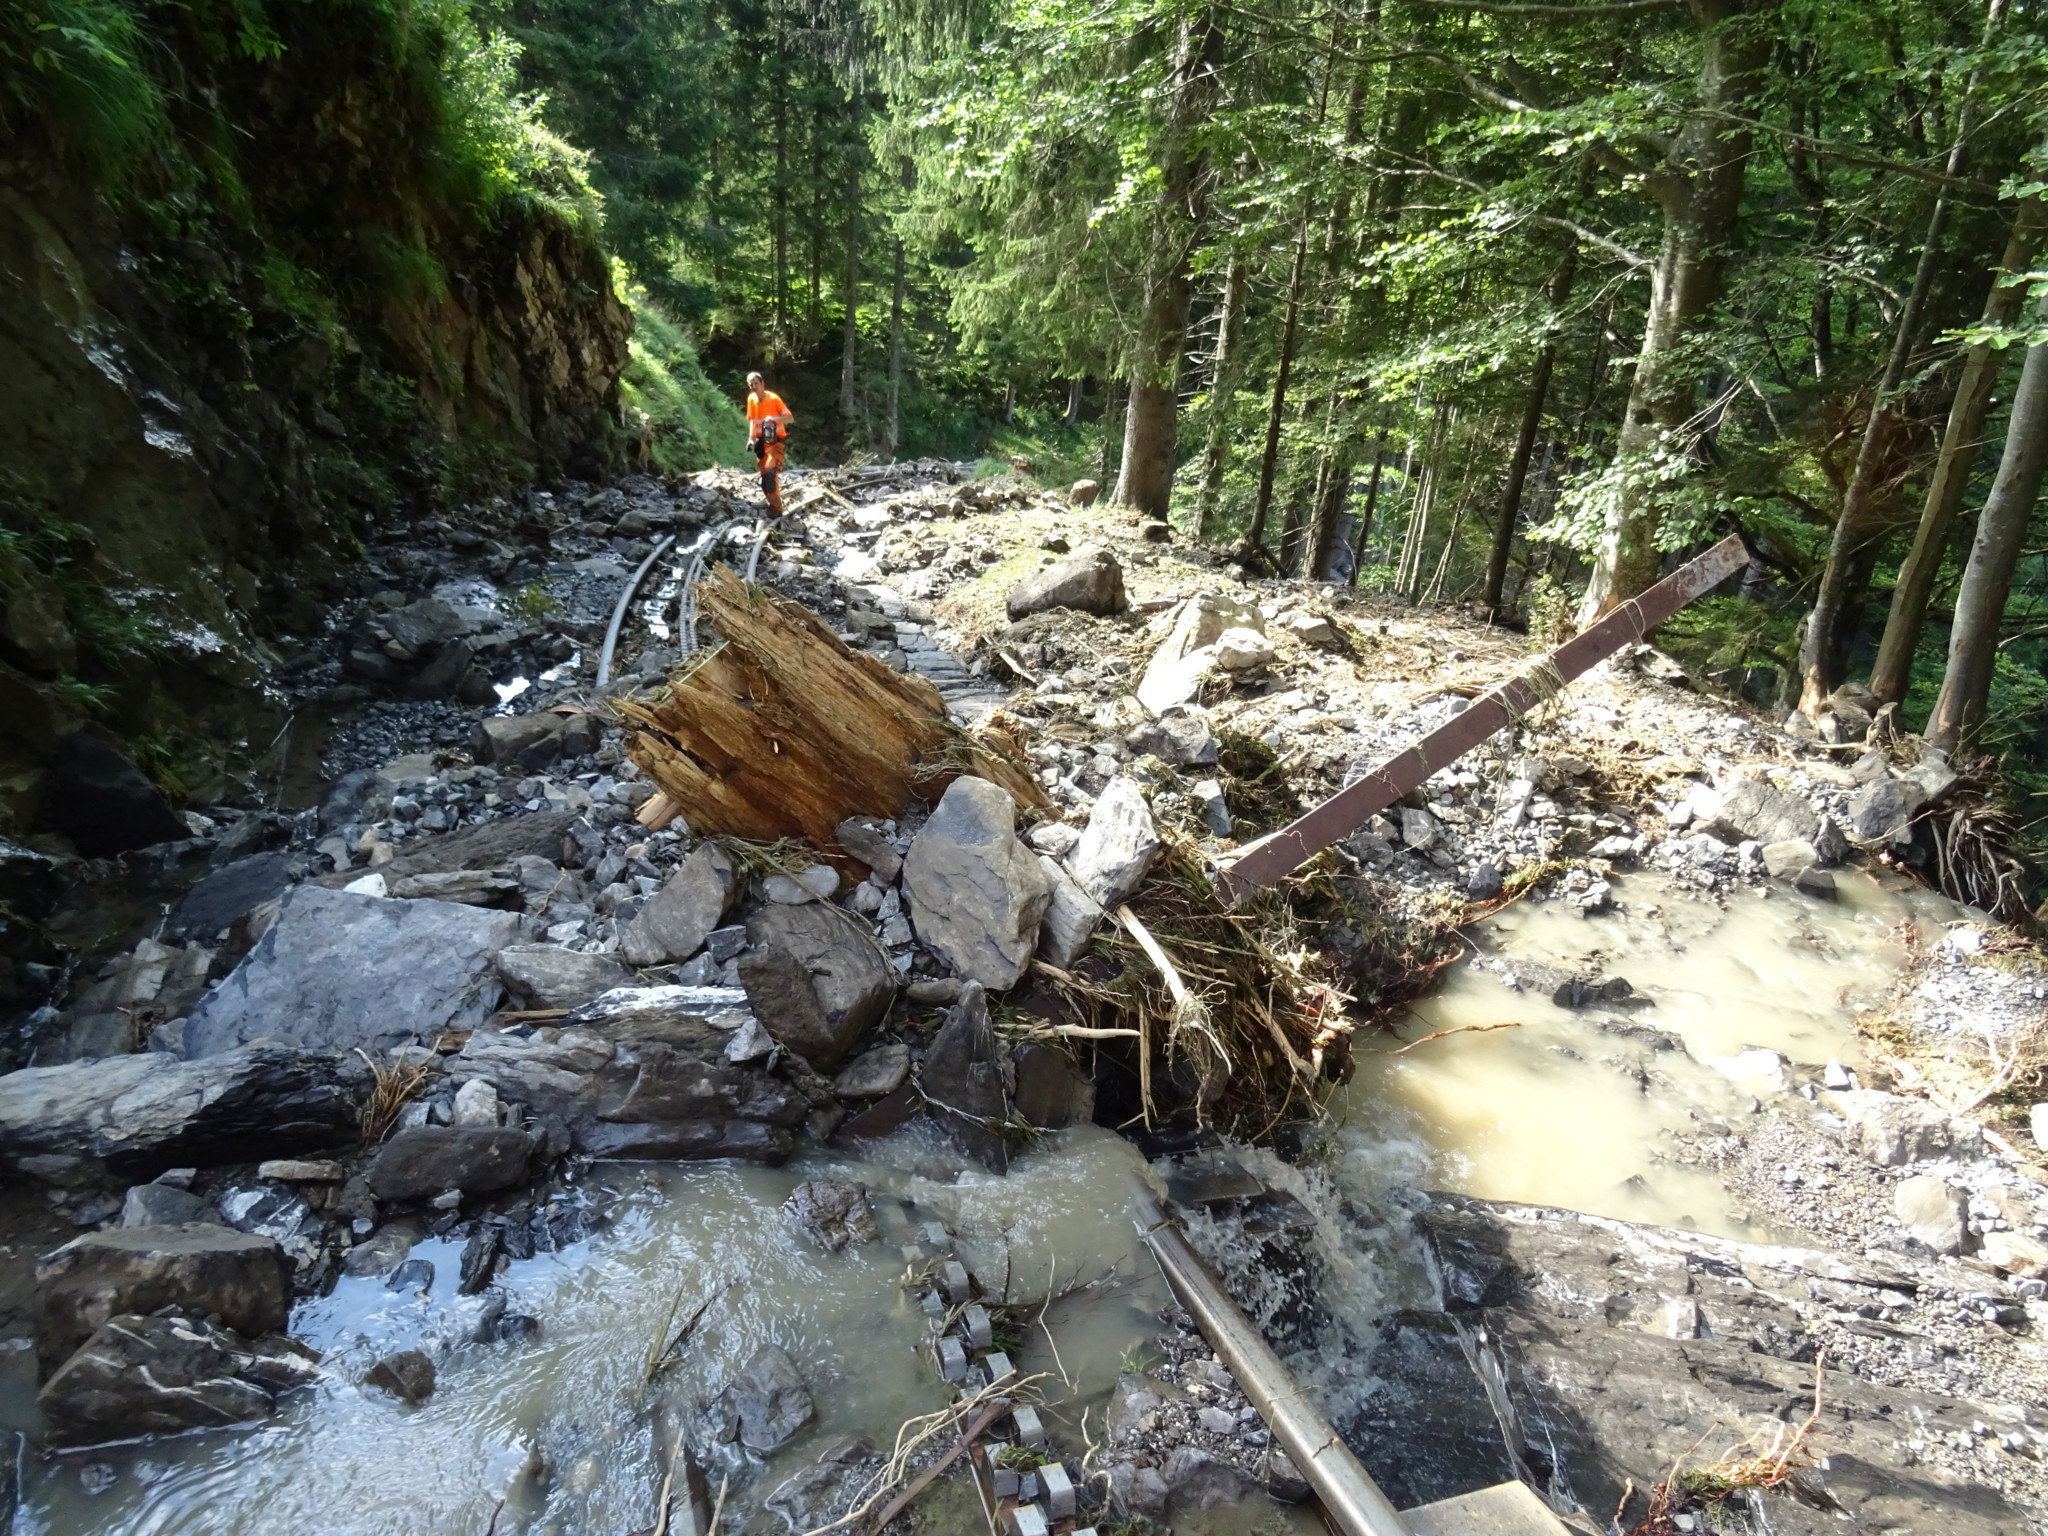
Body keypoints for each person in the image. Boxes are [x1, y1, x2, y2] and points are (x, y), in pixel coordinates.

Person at [745, 371, 793, 515]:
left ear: (762, 384)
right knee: (765, 473)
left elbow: (790, 419)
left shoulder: (774, 399)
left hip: (775, 441)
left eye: (756, 383)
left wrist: (774, 419)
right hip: (761, 442)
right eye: (751, 384)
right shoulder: (751, 399)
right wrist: (751, 439)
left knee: (771, 470)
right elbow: (753, 421)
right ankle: (769, 501)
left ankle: (776, 508)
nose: (754, 386)